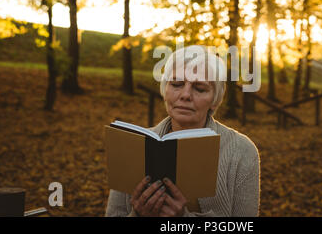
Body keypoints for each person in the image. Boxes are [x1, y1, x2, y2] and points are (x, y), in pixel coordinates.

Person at [105, 45, 260, 217]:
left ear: (215, 100)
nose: (185, 95)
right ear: (165, 91)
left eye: (199, 88)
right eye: (177, 84)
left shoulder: (242, 152)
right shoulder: (131, 144)